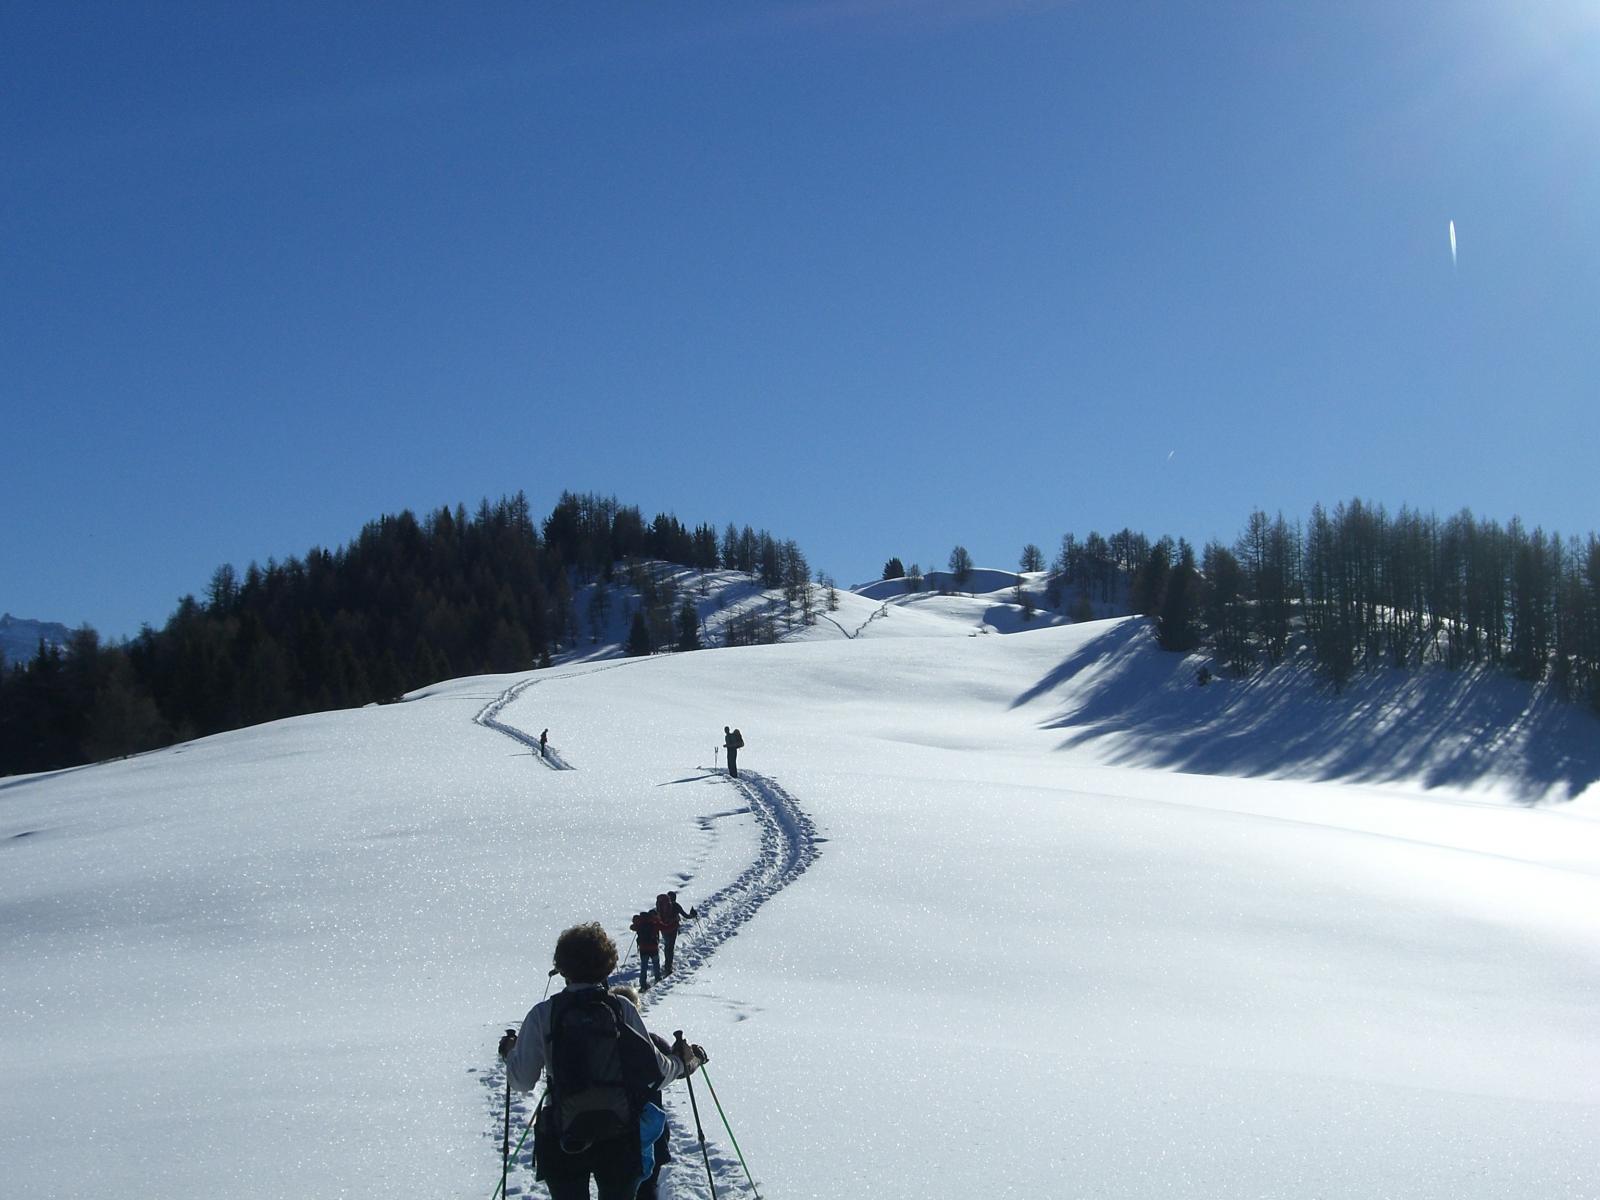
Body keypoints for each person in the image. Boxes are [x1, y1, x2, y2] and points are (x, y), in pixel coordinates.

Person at [499, 923, 707, 1200]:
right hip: (620, 1137)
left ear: (562, 967)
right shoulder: (621, 1009)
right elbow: (655, 1071)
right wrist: (683, 1063)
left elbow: (522, 1081)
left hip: (565, 1135)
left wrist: (510, 1055)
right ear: (606, 965)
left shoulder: (543, 1014)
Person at [610, 985, 673, 1200]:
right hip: (650, 1130)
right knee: (648, 1187)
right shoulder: (652, 1042)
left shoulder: (603, 1045)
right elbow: (670, 1067)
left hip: (613, 1129)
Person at [654, 891, 697, 975]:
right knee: (671, 947)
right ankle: (668, 967)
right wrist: (693, 914)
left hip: (663, 929)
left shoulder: (660, 906)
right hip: (673, 929)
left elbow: (657, 917)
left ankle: (666, 965)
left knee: (667, 945)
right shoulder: (676, 906)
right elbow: (686, 916)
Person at [629, 908, 663, 991]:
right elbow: (663, 926)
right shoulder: (654, 923)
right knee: (656, 963)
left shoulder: (641, 923)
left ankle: (643, 984)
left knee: (644, 966)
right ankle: (658, 978)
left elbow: (632, 927)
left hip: (643, 948)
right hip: (653, 947)